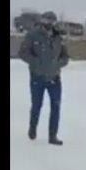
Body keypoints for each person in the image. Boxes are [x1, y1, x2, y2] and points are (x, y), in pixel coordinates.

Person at [18, 11, 69, 145]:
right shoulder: (33, 35)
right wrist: (35, 63)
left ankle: (53, 135)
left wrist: (59, 63)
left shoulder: (58, 37)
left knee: (56, 106)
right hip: (38, 77)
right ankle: (32, 127)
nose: (50, 23)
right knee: (37, 105)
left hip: (54, 77)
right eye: (47, 20)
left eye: (52, 21)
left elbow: (65, 56)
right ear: (42, 21)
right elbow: (23, 53)